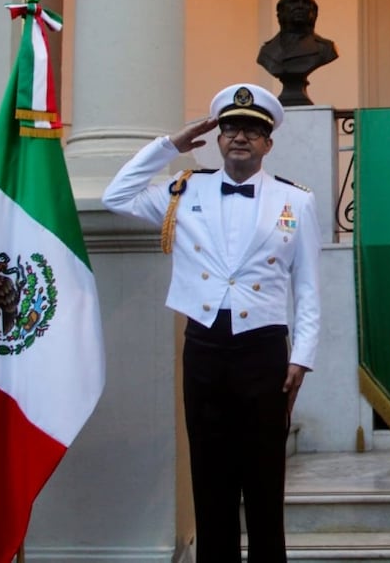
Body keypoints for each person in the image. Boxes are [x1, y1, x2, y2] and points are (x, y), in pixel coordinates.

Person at [102, 83, 321, 563]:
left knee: (265, 481)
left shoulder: (296, 201)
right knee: (210, 477)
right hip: (204, 347)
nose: (240, 137)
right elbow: (116, 194)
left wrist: (302, 357)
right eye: (230, 128)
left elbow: (306, 288)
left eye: (252, 130)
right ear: (218, 138)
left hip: (264, 350)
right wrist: (170, 146)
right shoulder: (184, 190)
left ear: (268, 142)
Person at [256, 0, 339, 106]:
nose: (300, 6)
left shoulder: (325, 48)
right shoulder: (266, 52)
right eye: (293, 2)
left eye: (305, 3)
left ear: (314, 12)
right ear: (281, 10)